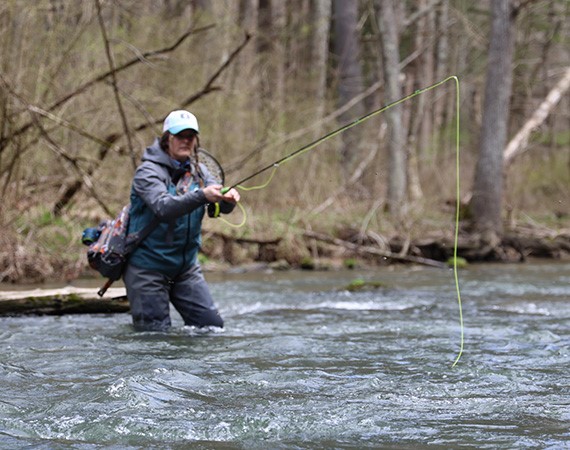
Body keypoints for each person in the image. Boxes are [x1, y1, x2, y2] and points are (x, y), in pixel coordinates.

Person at [123, 110, 240, 332]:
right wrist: (202, 195)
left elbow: (217, 208)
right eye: (180, 136)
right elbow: (163, 207)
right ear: (167, 138)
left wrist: (229, 200)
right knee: (155, 337)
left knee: (211, 327)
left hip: (185, 268)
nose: (186, 141)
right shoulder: (147, 172)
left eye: (191, 136)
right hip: (148, 268)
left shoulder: (200, 172)